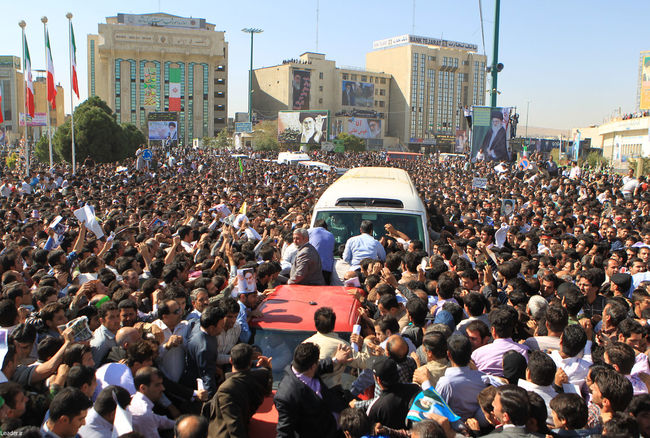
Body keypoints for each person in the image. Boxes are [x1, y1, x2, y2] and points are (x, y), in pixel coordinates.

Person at [274, 342, 350, 438]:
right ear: (313, 366)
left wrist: (336, 360)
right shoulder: (286, 396)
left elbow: (321, 365)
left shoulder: (302, 366)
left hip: (339, 426)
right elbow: (284, 431)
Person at [208, 343, 272, 437]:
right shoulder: (259, 378)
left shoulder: (227, 389)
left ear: (230, 360)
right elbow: (267, 388)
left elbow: (234, 426)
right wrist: (267, 367)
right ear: (250, 363)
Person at [183, 306, 225, 398]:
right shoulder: (205, 348)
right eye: (221, 326)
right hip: (195, 385)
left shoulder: (198, 324)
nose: (223, 328)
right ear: (211, 328)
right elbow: (207, 377)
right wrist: (211, 400)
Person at [129, 367, 176, 438]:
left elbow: (159, 420)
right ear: (143, 388)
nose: (163, 388)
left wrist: (181, 423)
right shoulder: (143, 413)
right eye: (157, 385)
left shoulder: (136, 401)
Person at [309, 220, 335, 285]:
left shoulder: (310, 231)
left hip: (313, 267)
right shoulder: (331, 235)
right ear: (326, 227)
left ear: (315, 226)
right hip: (327, 268)